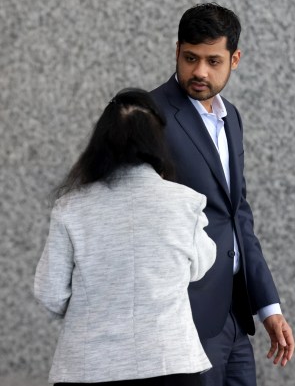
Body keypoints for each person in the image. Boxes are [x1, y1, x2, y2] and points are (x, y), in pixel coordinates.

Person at [149, 3, 295, 386]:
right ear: (177, 51)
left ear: (235, 59)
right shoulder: (149, 115)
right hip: (184, 313)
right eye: (190, 58)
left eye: (213, 60)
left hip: (234, 312)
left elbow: (237, 215)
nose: (200, 71)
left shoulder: (230, 117)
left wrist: (269, 307)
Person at [34, 88, 217, 386]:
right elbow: (198, 268)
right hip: (170, 362)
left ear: (101, 142)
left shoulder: (70, 208)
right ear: (157, 141)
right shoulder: (185, 202)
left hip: (89, 367)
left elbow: (50, 292)